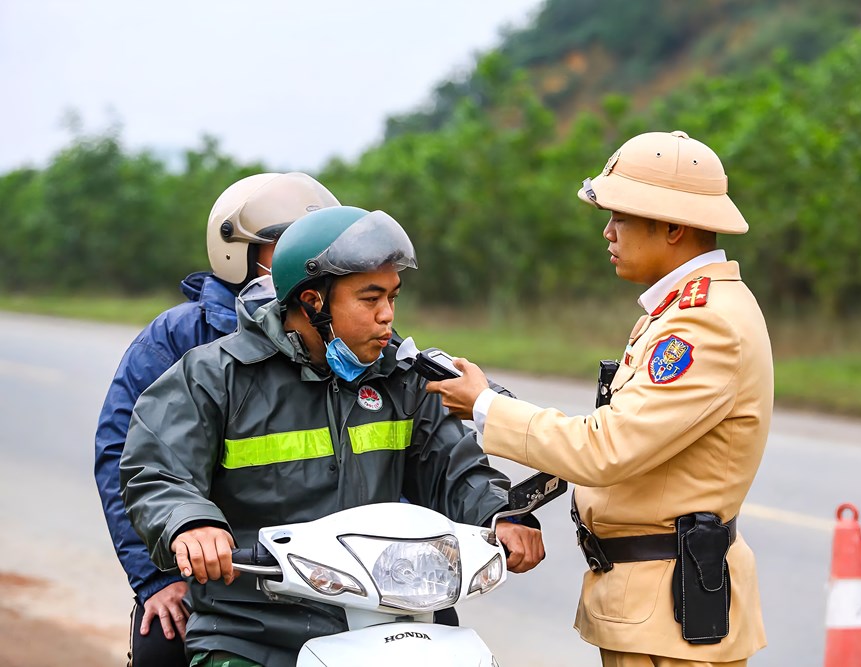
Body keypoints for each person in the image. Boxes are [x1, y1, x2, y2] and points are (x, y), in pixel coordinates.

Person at [119, 205, 546, 667]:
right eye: (369, 299)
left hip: (393, 622)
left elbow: (452, 467)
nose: (387, 316)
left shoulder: (401, 379)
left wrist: (501, 514)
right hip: (253, 632)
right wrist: (190, 523)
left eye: (392, 297)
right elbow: (156, 470)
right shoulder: (214, 375)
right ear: (312, 303)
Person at [427, 131, 772, 667]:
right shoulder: (682, 311)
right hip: (656, 608)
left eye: (621, 218)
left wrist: (484, 406)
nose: (608, 232)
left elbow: (605, 448)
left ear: (674, 227)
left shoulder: (704, 324)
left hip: (669, 621)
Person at [95, 172, 340, 667]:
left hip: (337, 570)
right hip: (218, 570)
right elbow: (127, 460)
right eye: (288, 246)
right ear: (238, 251)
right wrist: (157, 579)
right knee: (162, 645)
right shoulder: (180, 338)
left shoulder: (351, 332)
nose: (314, 264)